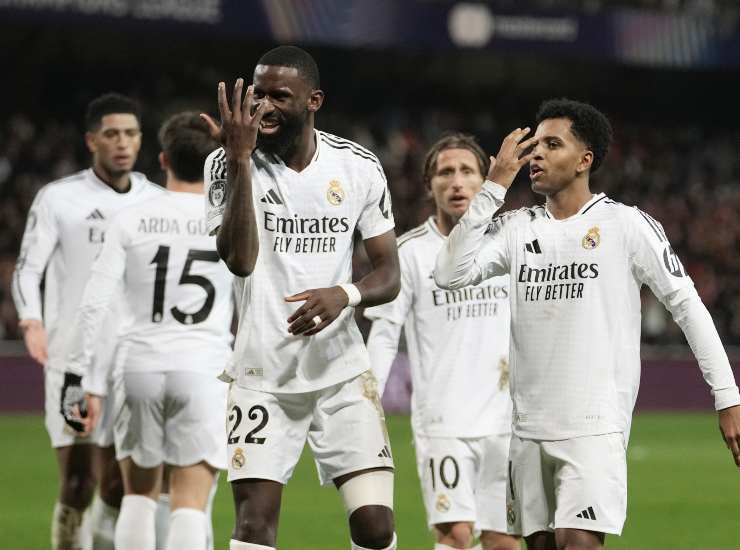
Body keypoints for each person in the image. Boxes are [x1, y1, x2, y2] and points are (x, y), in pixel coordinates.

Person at [434, 98, 740, 550]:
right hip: (526, 427)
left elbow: (687, 306)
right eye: (534, 145)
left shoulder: (625, 224)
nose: (536, 154)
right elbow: (448, 274)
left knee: (578, 542)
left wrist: (727, 396)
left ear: (584, 160)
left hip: (594, 424)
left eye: (552, 145)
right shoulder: (516, 228)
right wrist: (494, 186)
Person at [201, 45, 401, 550]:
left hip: (341, 372)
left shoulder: (357, 166)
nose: (262, 106)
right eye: (257, 94)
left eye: (279, 96)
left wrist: (345, 294)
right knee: (254, 527)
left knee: (376, 527)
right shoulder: (224, 163)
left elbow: (389, 274)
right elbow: (240, 259)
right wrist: (240, 160)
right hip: (262, 375)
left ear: (314, 101)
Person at [63, 111, 233, 550]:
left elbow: (94, 304)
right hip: (202, 365)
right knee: (189, 502)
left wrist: (79, 378)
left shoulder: (131, 219)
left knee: (138, 496)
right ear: (215, 162)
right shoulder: (232, 223)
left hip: (138, 365)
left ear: (163, 159)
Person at [11, 93, 162, 550]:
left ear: (141, 140)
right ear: (92, 140)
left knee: (119, 484)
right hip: (74, 358)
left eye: (130, 134)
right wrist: (31, 321)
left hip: (133, 360)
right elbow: (27, 269)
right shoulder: (59, 198)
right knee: (78, 482)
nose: (122, 143)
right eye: (112, 134)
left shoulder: (157, 202)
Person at [364, 133, 520, 550]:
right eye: (445, 172)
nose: (456, 182)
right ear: (429, 184)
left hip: (506, 420)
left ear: (485, 180)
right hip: (443, 422)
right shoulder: (411, 253)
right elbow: (384, 334)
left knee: (504, 539)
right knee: (455, 533)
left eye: (467, 171)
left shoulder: (507, 243)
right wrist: (368, 406)